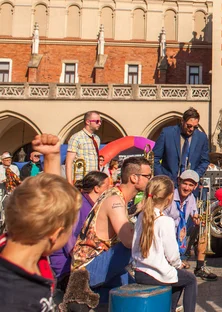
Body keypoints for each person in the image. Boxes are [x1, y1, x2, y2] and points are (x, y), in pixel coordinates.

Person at [0, 133, 81, 311]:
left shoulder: (20, 244)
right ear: (55, 234)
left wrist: (51, 157)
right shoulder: (13, 298)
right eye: (71, 231)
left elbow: (50, 201)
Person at [71, 156, 152, 300]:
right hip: (87, 270)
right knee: (130, 246)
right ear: (134, 178)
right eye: (147, 176)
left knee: (134, 290)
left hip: (94, 264)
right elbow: (128, 241)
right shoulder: (115, 200)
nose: (150, 180)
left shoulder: (116, 195)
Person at [133, 176, 197, 312]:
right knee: (190, 279)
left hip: (139, 271)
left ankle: (171, 309)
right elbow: (172, 255)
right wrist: (179, 264)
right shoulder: (165, 221)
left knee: (179, 277)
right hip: (156, 273)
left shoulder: (142, 216)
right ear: (169, 198)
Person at [50, 171, 111, 285]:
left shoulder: (92, 205)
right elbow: (68, 238)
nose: (111, 189)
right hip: (68, 268)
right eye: (107, 186)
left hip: (79, 263)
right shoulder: (79, 205)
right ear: (97, 189)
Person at [163, 169, 217, 281]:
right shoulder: (169, 197)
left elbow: (194, 214)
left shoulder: (191, 197)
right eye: (185, 184)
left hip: (180, 232)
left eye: (190, 185)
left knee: (203, 228)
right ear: (179, 182)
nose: (187, 188)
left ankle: (200, 266)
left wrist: (199, 219)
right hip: (166, 234)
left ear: (195, 186)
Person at [153, 107, 210, 188]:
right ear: (182, 121)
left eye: (195, 127)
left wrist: (195, 176)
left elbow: (205, 161)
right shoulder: (167, 133)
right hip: (168, 183)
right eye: (189, 126)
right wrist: (162, 178)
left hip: (190, 185)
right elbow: (155, 157)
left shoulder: (202, 137)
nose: (191, 129)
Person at [65, 111, 102, 184]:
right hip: (80, 180)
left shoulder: (96, 138)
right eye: (97, 121)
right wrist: (69, 183)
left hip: (93, 180)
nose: (100, 123)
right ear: (88, 122)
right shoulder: (76, 137)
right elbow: (68, 162)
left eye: (100, 121)